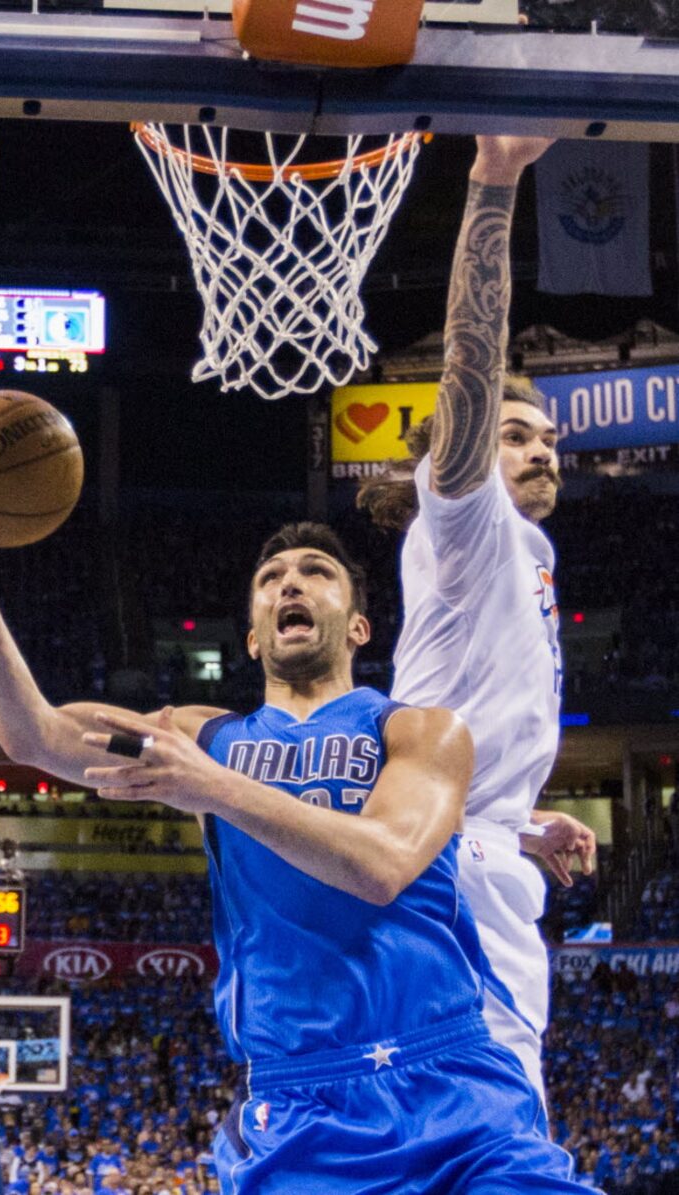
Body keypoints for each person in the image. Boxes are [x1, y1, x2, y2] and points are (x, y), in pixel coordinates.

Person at [0, 442, 593, 1191]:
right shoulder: (205, 736)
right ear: (253, 632)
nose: (289, 584)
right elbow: (31, 730)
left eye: (316, 573)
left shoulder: (424, 731)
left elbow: (382, 863)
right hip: (300, 1104)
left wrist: (216, 787)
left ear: (358, 626)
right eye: (271, 579)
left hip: (454, 1083)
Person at [357, 134, 597, 1099]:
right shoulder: (466, 517)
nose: (541, 452)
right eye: (513, 434)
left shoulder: (522, 554)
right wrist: (493, 184)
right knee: (499, 1132)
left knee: (466, 1126)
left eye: (548, 439)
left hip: (470, 845)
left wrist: (525, 821)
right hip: (455, 869)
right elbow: (470, 352)